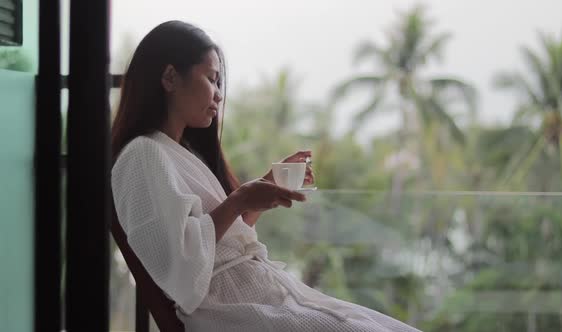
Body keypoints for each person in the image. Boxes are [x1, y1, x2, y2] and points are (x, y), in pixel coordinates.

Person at [111, 20, 421, 332]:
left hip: (259, 292)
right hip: (227, 307)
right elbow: (178, 266)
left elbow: (218, 245)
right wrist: (238, 200)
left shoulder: (181, 152)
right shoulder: (143, 154)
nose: (218, 95)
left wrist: (258, 196)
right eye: (212, 79)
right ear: (169, 77)